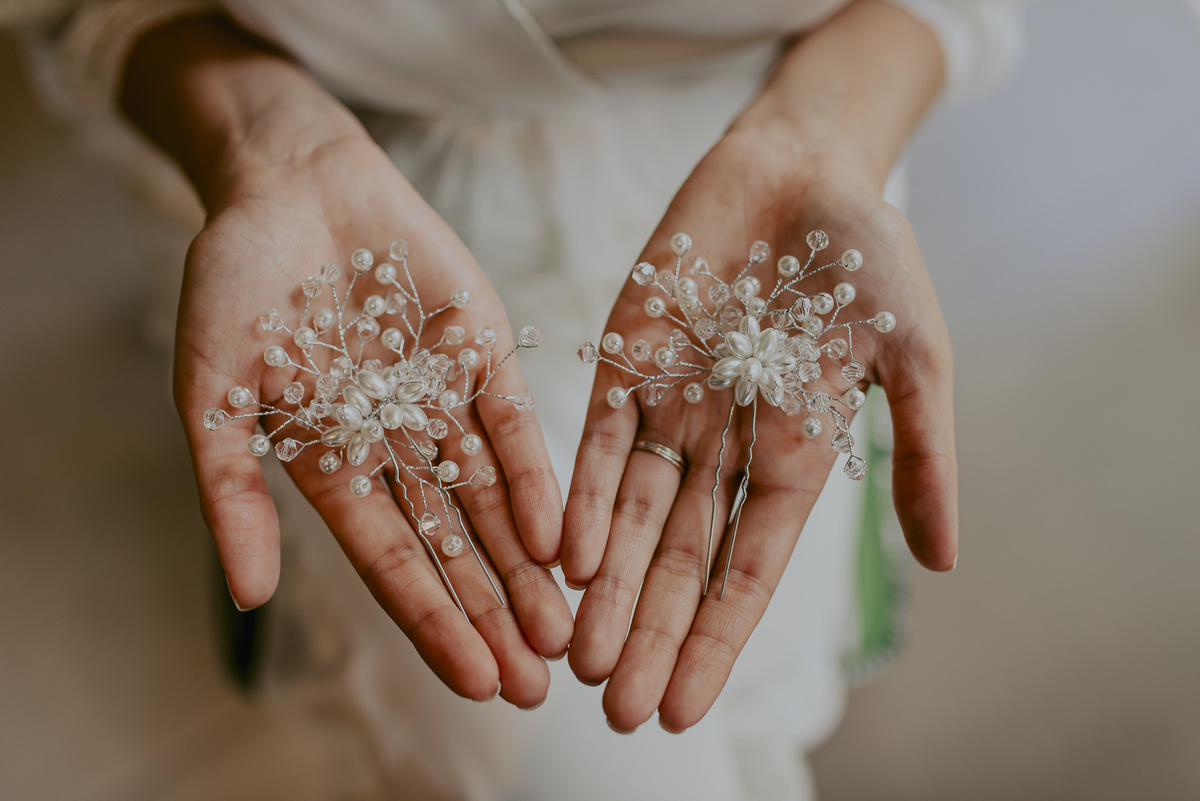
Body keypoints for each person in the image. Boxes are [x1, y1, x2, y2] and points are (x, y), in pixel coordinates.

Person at [19, 1, 1024, 797]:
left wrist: (826, 135)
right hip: (339, 218)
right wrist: (262, 144)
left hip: (766, 208)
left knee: (703, 673)